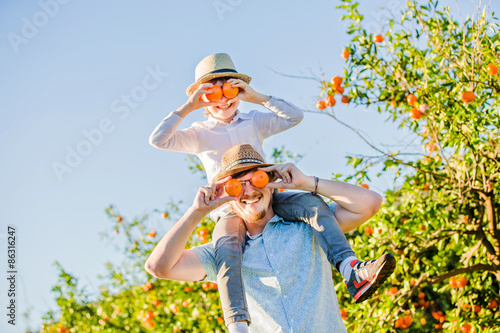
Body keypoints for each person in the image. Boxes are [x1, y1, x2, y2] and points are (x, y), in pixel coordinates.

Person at [148, 53, 394, 332]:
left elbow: (294, 116)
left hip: (273, 194)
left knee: (313, 204)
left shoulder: (253, 120)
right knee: (228, 256)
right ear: (203, 98)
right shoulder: (199, 132)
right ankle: (237, 324)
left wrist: (257, 97)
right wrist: (189, 106)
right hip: (226, 209)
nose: (223, 98)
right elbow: (159, 140)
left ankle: (351, 268)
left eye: (230, 89)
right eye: (213, 92)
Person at [145, 144, 396, 332]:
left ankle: (352, 270)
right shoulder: (222, 254)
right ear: (227, 195)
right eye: (237, 185)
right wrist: (196, 212)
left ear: (270, 182)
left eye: (256, 179)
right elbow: (158, 266)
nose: (249, 190)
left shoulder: (308, 226)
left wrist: (308, 182)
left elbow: (370, 203)